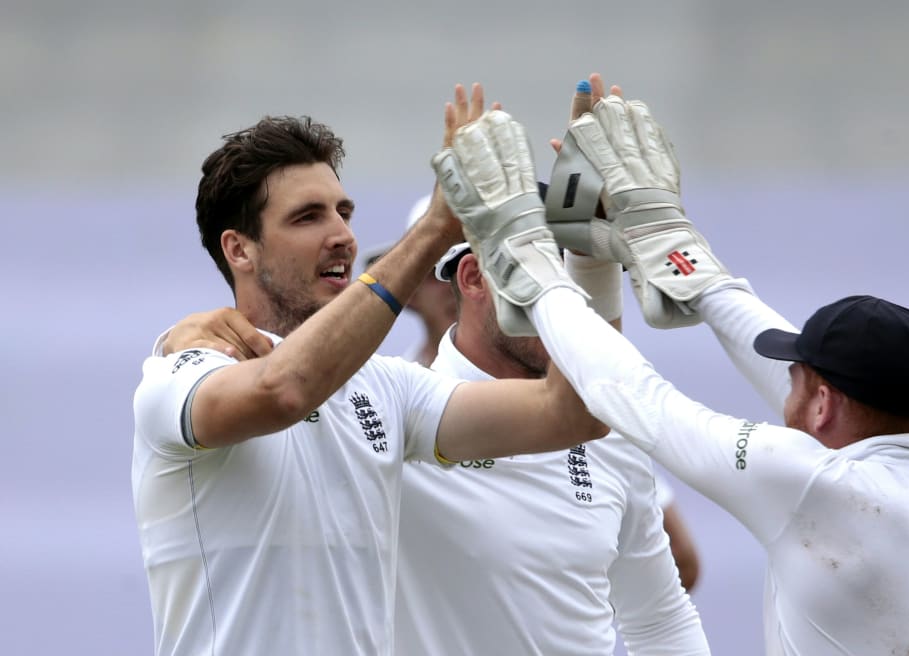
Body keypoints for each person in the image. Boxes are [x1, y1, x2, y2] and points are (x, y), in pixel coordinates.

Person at [431, 73, 909, 655]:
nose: (783, 383)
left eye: (796, 376)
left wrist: (528, 256)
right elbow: (768, 347)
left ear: (825, 404)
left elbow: (634, 396)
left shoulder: (807, 481)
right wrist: (674, 247)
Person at [131, 84, 607, 656]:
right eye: (308, 217)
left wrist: (588, 254)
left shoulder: (387, 385)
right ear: (239, 250)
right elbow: (283, 390)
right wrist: (436, 230)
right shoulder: (178, 375)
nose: (343, 236)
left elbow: (576, 410)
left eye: (344, 211)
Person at [371, 191, 702, 590]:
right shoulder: (386, 404)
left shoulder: (603, 411)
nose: (444, 287)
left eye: (562, 271)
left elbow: (672, 573)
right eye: (430, 271)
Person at [362, 194, 458, 365]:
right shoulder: (389, 389)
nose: (460, 284)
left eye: (477, 267)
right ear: (409, 292)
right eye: (438, 271)